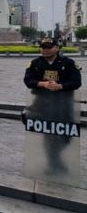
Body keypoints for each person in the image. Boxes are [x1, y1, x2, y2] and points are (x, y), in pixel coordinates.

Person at [23, 37, 81, 173]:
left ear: (57, 48)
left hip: (63, 105)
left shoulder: (69, 63)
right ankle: (53, 162)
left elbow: (77, 82)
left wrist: (61, 86)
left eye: (48, 47)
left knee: (67, 134)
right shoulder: (35, 63)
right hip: (43, 104)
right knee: (49, 134)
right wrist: (41, 83)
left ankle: (56, 157)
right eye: (43, 47)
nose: (45, 50)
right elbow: (28, 80)